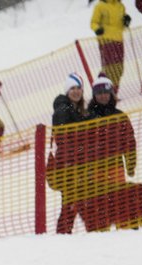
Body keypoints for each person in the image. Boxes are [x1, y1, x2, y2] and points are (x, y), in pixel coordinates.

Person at [84, 75, 142, 229]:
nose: (102, 95)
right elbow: (81, 144)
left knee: (119, 203)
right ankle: (103, 233)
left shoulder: (119, 116)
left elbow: (129, 142)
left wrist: (130, 164)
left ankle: (126, 230)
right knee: (99, 205)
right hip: (94, 170)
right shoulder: (87, 117)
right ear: (94, 96)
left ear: (111, 94)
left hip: (115, 167)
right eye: (99, 93)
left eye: (105, 92)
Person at [48, 73, 93, 233]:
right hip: (69, 166)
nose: (76, 91)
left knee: (77, 203)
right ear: (67, 91)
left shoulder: (78, 109)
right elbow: (63, 139)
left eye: (79, 88)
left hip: (80, 164)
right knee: (72, 203)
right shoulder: (63, 108)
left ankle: (66, 233)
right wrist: (80, 149)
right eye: (72, 88)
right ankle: (65, 234)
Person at [92, 0, 132, 90]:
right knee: (109, 67)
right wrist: (97, 29)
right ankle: (104, 91)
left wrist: (126, 20)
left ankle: (114, 91)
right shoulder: (100, 6)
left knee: (119, 67)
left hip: (118, 39)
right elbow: (93, 22)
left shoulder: (120, 5)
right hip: (106, 40)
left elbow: (121, 21)